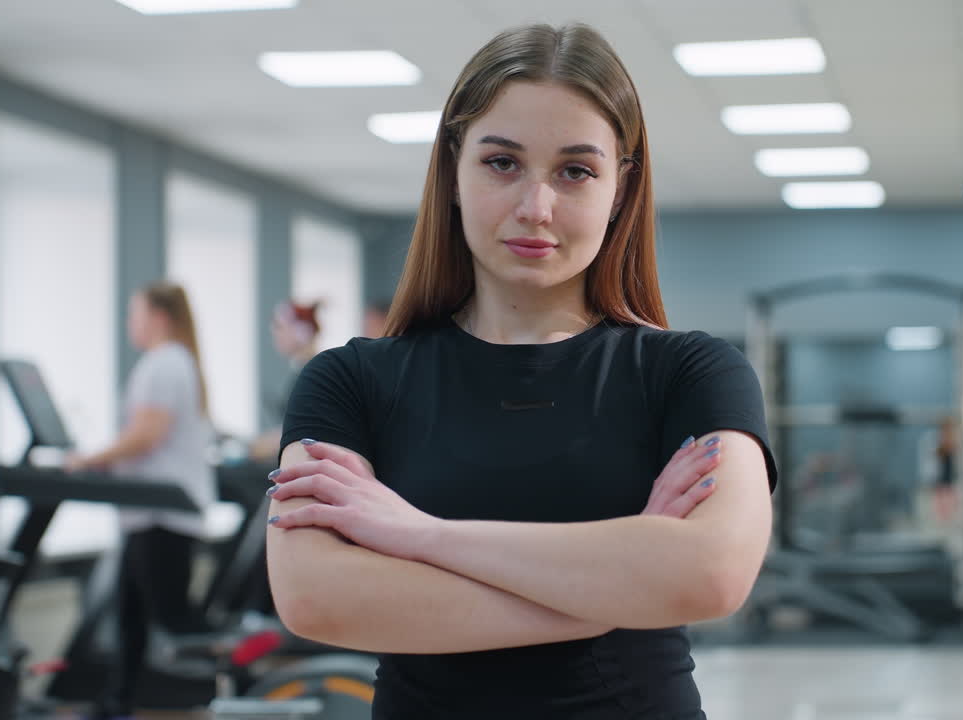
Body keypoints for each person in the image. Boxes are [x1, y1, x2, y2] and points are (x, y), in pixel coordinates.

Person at [265, 23, 777, 718]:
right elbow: (316, 599)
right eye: (502, 163)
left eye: (576, 170)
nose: (536, 208)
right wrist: (612, 593)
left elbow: (712, 574)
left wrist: (421, 537)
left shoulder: (693, 373)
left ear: (621, 188)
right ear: (453, 169)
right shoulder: (349, 381)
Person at [67, 281, 216, 720]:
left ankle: (231, 688)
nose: (130, 322)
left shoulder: (164, 364)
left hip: (160, 514)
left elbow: (147, 435)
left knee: (171, 618)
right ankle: (119, 702)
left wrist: (87, 459)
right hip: (151, 513)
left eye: (135, 313)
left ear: (160, 317)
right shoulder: (172, 362)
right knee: (132, 618)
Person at [249, 300, 321, 462]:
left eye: (280, 328)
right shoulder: (305, 372)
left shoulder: (313, 376)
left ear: (301, 332)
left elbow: (306, 431)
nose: (275, 334)